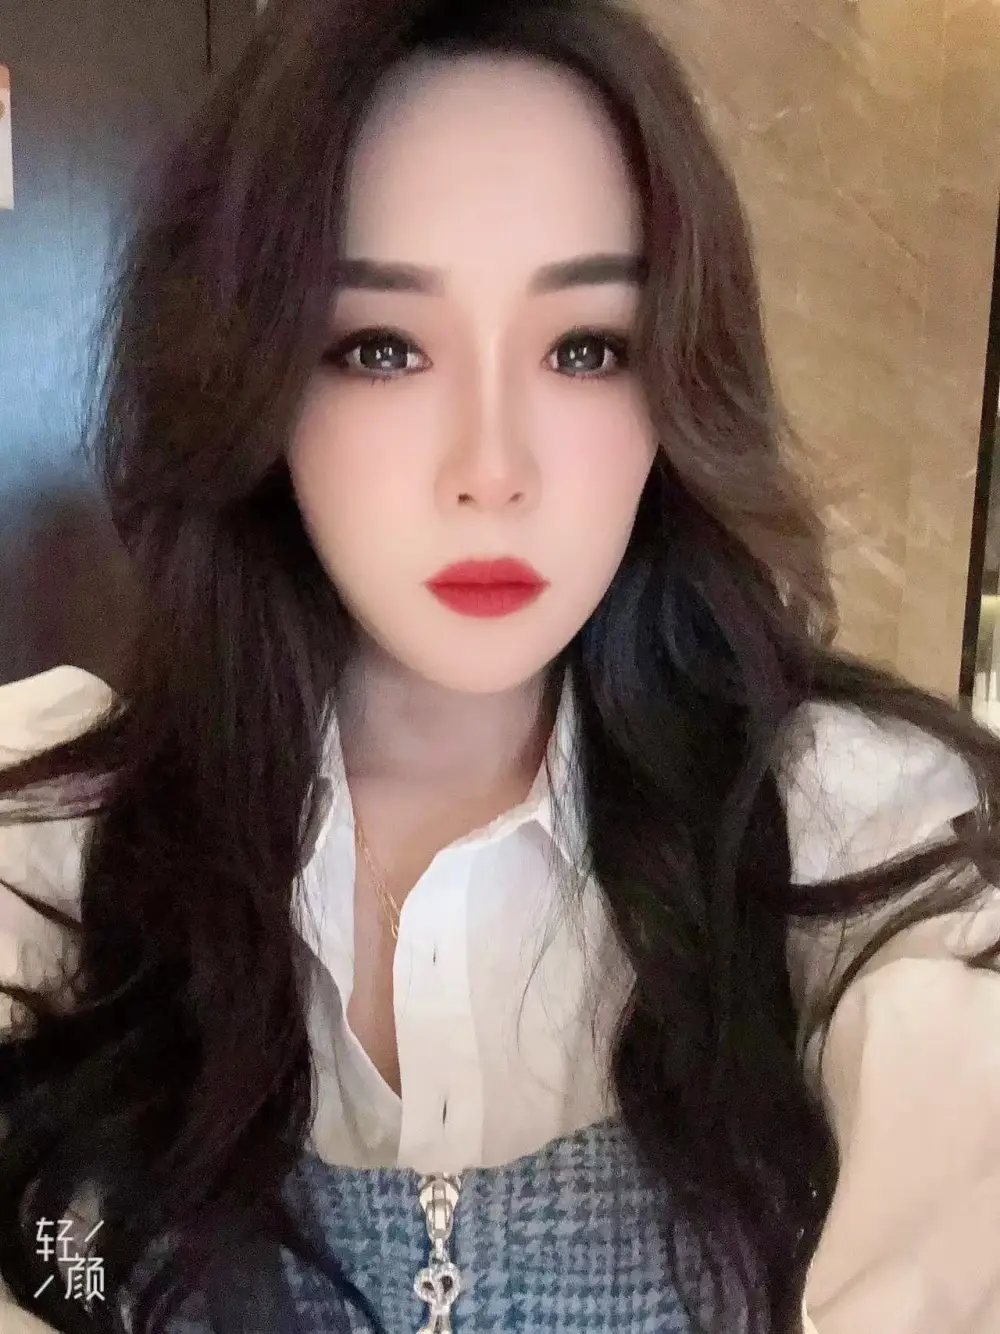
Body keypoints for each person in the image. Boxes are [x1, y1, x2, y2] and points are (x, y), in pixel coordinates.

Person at [1, 0, 998, 1330]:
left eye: (586, 348)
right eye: (381, 348)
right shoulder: (51, 850)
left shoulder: (849, 835)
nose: (493, 470)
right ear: (252, 378)